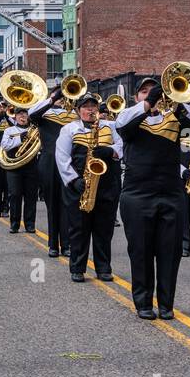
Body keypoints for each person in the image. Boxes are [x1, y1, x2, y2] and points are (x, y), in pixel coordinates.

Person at [115, 77, 190, 320]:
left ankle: (166, 304)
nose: (149, 95)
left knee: (169, 252)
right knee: (141, 251)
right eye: (143, 92)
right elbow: (122, 126)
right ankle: (143, 302)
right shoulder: (131, 117)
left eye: (153, 91)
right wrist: (147, 104)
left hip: (171, 193)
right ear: (136, 97)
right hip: (137, 194)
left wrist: (178, 103)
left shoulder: (174, 119)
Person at [56, 94, 120, 282]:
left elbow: (122, 146)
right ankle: (77, 267)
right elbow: (62, 157)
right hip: (79, 186)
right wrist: (74, 180)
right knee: (79, 229)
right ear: (78, 110)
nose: (90, 110)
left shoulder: (109, 127)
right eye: (86, 107)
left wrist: (111, 151)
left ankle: (103, 268)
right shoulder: (69, 129)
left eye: (93, 106)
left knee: (104, 229)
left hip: (106, 185)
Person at [28, 88, 76, 259]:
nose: (62, 98)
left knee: (67, 204)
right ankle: (53, 244)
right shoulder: (44, 113)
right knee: (52, 204)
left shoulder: (73, 115)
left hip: (69, 162)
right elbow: (31, 115)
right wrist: (51, 99)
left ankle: (67, 244)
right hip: (48, 161)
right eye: (59, 95)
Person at [0, 106, 40, 234]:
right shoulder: (9, 130)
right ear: (15, 117)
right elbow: (4, 146)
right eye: (20, 115)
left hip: (31, 166)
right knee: (15, 195)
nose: (23, 117)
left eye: (25, 114)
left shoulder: (35, 130)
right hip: (14, 167)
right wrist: (19, 139)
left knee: (31, 196)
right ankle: (14, 224)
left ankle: (30, 224)